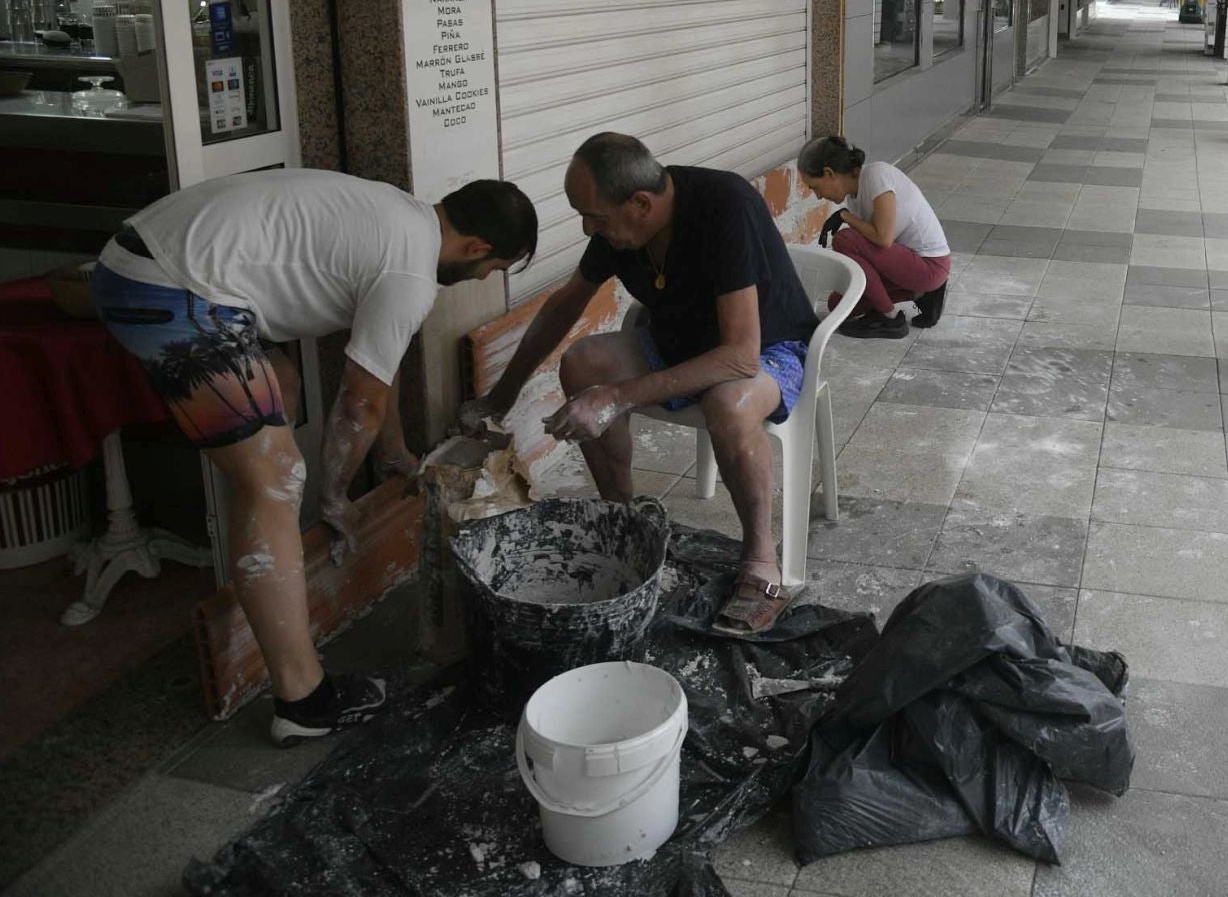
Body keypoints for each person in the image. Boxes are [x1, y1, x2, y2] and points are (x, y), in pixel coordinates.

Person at [89, 170, 537, 745]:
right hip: (167, 287)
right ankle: (302, 698)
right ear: (478, 248)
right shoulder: (408, 273)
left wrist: (396, 453)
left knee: (282, 385)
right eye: (490, 269)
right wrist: (333, 496)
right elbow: (356, 407)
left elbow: (378, 373)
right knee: (275, 476)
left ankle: (269, 534)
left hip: (155, 260)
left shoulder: (401, 220)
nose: (479, 278)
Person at [462, 133, 818, 635]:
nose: (589, 228)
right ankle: (625, 520)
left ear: (642, 204)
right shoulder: (619, 225)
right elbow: (567, 303)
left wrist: (614, 398)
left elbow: (739, 356)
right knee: (583, 365)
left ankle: (761, 561)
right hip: (676, 343)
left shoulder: (724, 205)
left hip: (768, 351)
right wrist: (502, 394)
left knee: (729, 404)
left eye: (595, 218)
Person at [799, 136, 951, 340]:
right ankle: (921, 294)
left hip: (930, 264)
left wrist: (845, 217)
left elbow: (883, 238)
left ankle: (889, 319)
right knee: (838, 303)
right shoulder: (855, 198)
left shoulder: (876, 175)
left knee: (845, 239)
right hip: (907, 266)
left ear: (829, 173)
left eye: (815, 187)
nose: (817, 196)